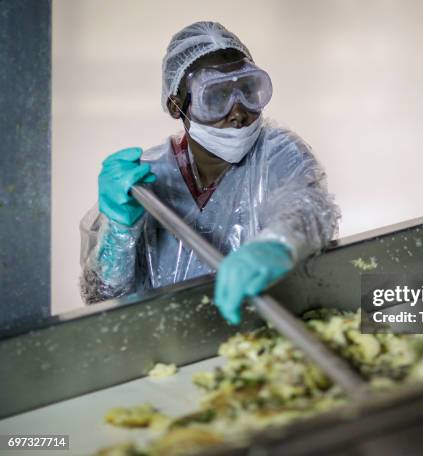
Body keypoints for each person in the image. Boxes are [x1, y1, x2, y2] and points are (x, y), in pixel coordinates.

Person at [80, 22, 340, 324]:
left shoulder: (278, 153)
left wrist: (278, 244)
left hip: (264, 328)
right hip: (166, 347)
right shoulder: (144, 183)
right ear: (177, 106)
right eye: (216, 97)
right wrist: (119, 231)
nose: (239, 113)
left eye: (247, 91)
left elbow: (308, 207)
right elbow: (100, 299)